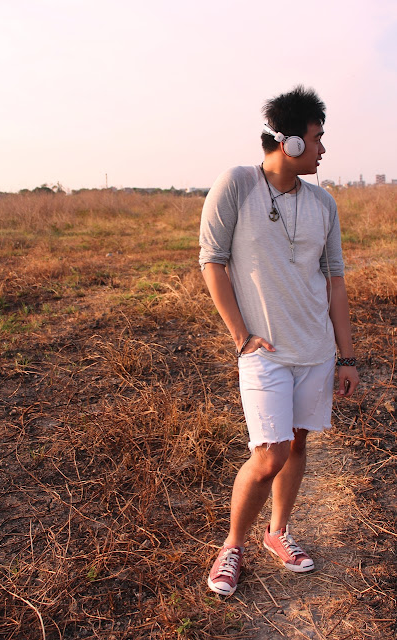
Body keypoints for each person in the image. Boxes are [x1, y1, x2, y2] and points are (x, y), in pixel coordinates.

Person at [199, 86, 359, 596]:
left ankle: (278, 532)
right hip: (264, 352)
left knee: (298, 444)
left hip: (314, 350)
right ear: (289, 143)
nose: (323, 149)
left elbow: (335, 282)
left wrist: (347, 356)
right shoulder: (237, 184)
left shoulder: (323, 203)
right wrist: (241, 336)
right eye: (317, 138)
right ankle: (232, 546)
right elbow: (212, 261)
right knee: (270, 453)